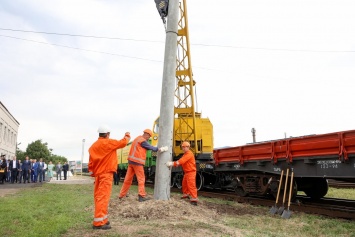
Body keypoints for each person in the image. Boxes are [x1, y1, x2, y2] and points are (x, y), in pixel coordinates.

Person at [88, 125, 130, 230]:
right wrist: (127, 135)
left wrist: (94, 173)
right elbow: (123, 143)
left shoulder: (93, 146)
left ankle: (104, 219)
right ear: (107, 134)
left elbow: (91, 164)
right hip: (106, 174)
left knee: (99, 197)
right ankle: (98, 223)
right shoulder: (108, 142)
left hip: (98, 175)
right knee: (103, 197)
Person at [118, 129, 168, 202]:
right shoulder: (143, 141)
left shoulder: (137, 138)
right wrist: (161, 149)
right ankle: (141, 196)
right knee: (141, 179)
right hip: (137, 162)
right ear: (146, 134)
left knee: (127, 179)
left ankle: (121, 195)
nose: (149, 138)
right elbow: (152, 148)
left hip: (131, 162)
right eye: (149, 136)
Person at [166, 141, 198, 206]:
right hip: (187, 172)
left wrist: (172, 163)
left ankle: (194, 199)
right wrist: (175, 163)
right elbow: (181, 161)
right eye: (183, 147)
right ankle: (186, 195)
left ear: (188, 147)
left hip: (191, 172)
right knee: (185, 184)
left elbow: (181, 161)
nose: (183, 148)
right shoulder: (186, 154)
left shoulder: (189, 154)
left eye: (185, 147)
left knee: (191, 185)